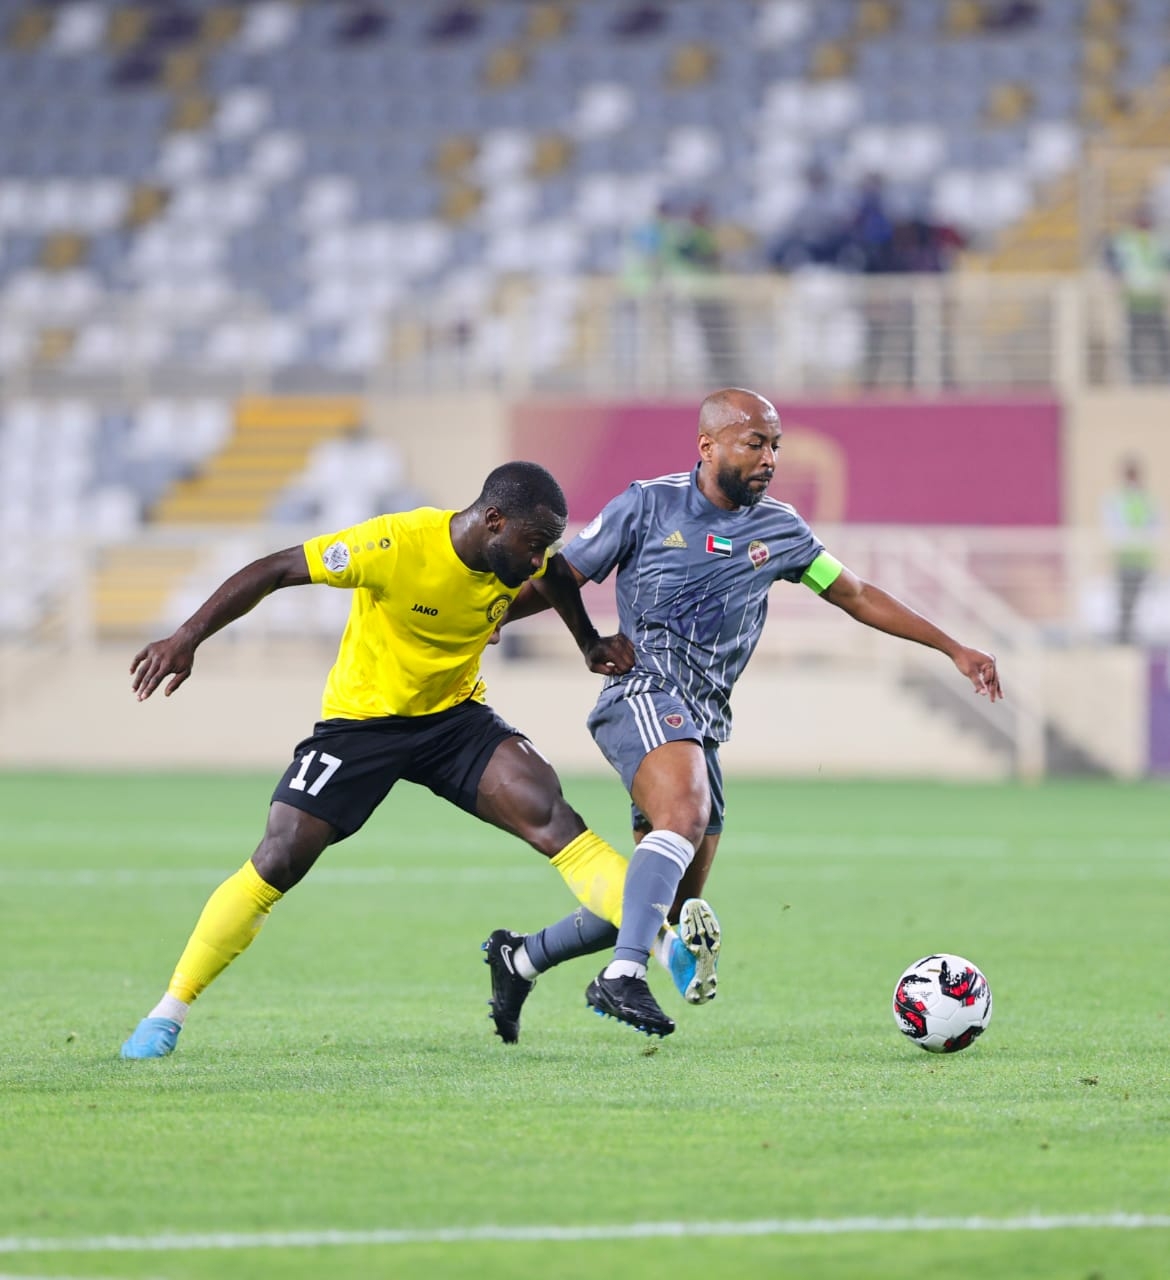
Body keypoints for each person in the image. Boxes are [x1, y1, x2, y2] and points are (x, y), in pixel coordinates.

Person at [483, 388, 1004, 1043]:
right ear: (708, 446)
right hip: (641, 691)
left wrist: (953, 647)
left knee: (663, 898)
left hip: (702, 722)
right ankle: (623, 974)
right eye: (755, 443)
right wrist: (491, 617)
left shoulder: (781, 530)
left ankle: (520, 959)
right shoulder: (648, 504)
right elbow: (562, 575)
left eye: (775, 446)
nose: (769, 458)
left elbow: (856, 594)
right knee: (682, 816)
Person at [119, 461, 679, 1058]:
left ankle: (668, 947)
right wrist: (187, 637)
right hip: (362, 725)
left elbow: (559, 578)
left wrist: (588, 641)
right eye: (535, 545)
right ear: (493, 521)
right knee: (279, 857)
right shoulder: (394, 545)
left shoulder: (517, 557)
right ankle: (168, 1011)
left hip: (454, 720)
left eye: (547, 547)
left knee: (554, 818)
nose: (540, 560)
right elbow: (276, 569)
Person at [1102, 455, 1163, 645]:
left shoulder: (1147, 499)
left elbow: (1156, 526)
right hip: (1124, 559)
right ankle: (1123, 638)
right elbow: (1111, 528)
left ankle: (1136, 637)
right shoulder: (1116, 499)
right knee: (1124, 601)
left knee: (1142, 601)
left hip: (1143, 559)